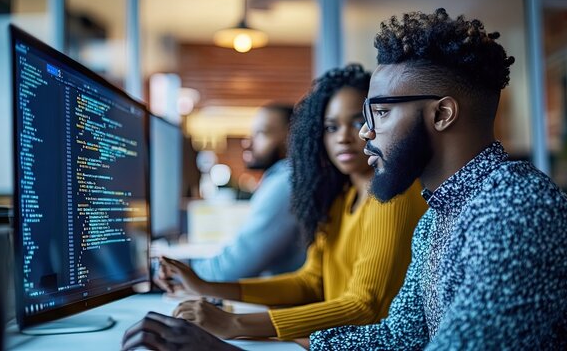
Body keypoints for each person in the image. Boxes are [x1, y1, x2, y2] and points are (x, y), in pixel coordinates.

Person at [123, 9, 567, 350]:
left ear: (443, 113)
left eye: (378, 112)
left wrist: (232, 339)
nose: (363, 132)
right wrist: (234, 339)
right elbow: (394, 339)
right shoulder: (441, 213)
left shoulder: (513, 211)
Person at [122, 64, 426, 349]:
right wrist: (208, 286)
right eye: (331, 127)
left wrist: (233, 322)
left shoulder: (393, 195)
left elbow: (365, 306)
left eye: (357, 122)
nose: (344, 137)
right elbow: (309, 282)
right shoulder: (342, 198)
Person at [190, 104, 307, 281]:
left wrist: (176, 272)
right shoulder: (283, 177)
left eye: (261, 133)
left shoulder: (286, 181)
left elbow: (232, 268)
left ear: (291, 137)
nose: (248, 142)